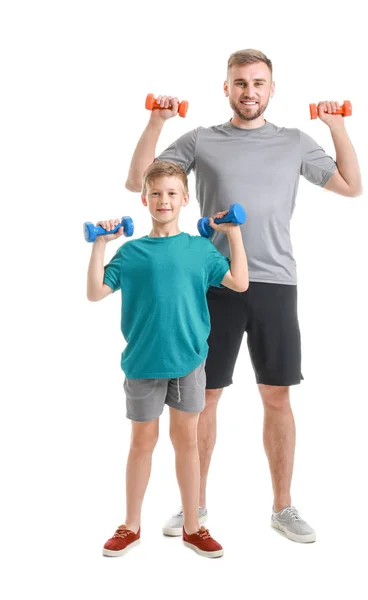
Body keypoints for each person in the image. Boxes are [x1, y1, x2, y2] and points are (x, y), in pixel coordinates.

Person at [125, 49, 362, 544]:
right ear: (226, 89)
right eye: (239, 83)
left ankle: (283, 507)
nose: (249, 91)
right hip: (213, 284)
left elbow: (350, 186)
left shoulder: (295, 142)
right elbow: (138, 182)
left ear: (271, 90)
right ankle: (198, 505)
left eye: (258, 83)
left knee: (277, 395)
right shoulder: (201, 140)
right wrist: (155, 121)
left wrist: (335, 124)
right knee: (204, 397)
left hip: (276, 281)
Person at [87, 160, 248, 558]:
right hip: (143, 363)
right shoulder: (131, 252)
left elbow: (240, 282)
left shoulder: (199, 249)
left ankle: (193, 527)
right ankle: (130, 526)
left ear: (185, 199)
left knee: (186, 443)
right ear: (144, 199)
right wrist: (100, 244)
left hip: (189, 361)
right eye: (156, 193)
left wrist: (235, 234)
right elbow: (94, 292)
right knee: (142, 443)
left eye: (172, 193)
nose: (164, 200)